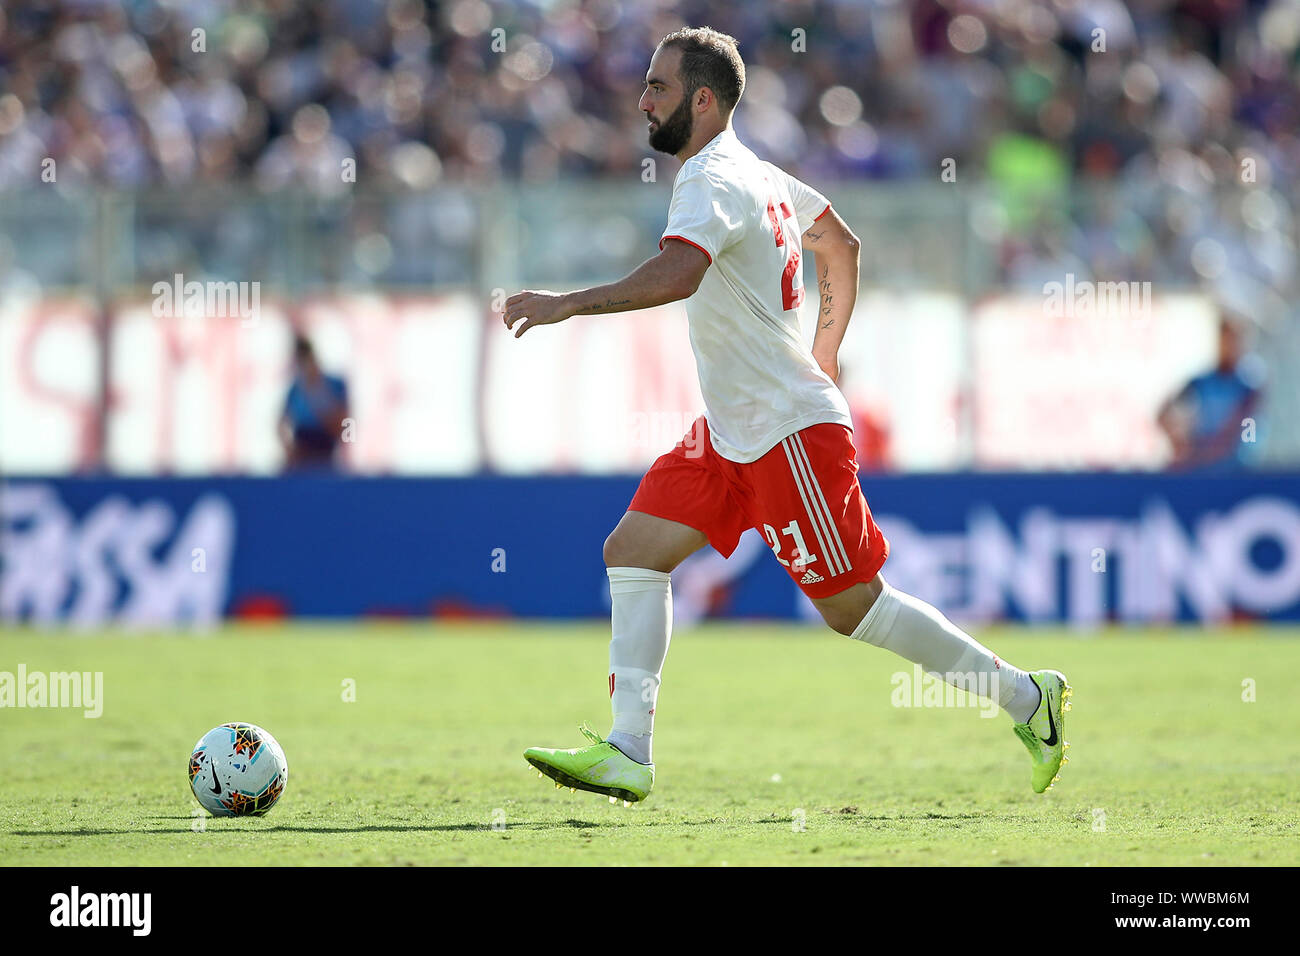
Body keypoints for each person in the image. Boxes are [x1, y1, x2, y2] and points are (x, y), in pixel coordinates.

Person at [504, 27, 1070, 804]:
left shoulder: (710, 179)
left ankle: (1027, 698)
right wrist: (826, 354)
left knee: (853, 609)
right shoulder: (760, 175)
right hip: (734, 429)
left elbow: (679, 272)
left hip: (783, 430)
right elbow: (840, 243)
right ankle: (629, 750)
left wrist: (569, 302)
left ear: (702, 101)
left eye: (658, 88)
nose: (642, 101)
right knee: (633, 551)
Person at [1157, 317, 1263, 470]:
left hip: (1239, 470)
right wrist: (1180, 443)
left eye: (1236, 340)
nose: (1231, 346)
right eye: (1227, 340)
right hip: (1205, 468)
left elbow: (1242, 432)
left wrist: (1205, 452)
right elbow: (1163, 413)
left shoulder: (1249, 386)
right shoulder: (1201, 382)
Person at [279, 335, 349, 471]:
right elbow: (281, 422)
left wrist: (316, 392)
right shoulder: (296, 388)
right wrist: (289, 448)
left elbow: (342, 424)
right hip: (302, 450)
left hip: (326, 450)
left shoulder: (334, 385)